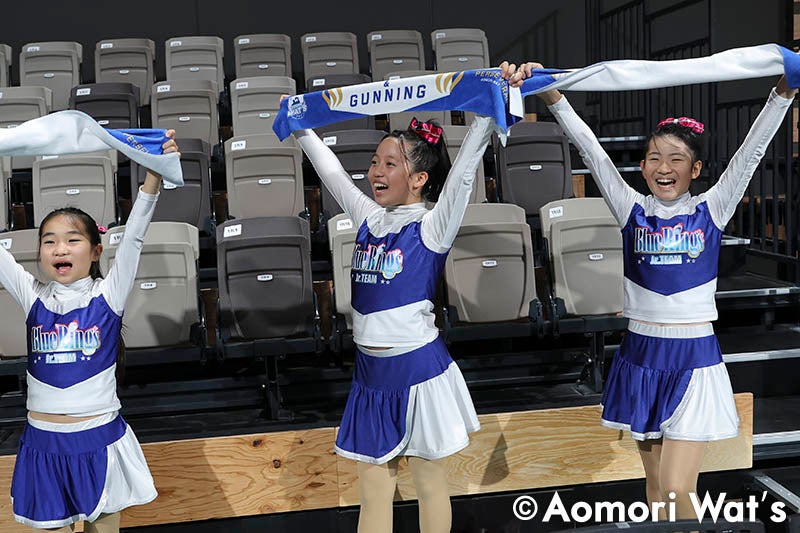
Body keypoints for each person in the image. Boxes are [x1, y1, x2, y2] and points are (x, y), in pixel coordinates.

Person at [505, 60, 797, 519]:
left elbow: (752, 151)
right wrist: (552, 96)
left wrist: (784, 91)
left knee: (681, 488)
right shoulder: (630, 208)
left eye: (677, 158)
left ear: (695, 169)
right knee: (657, 487)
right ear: (641, 166)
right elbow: (591, 152)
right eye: (655, 158)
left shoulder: (712, 208)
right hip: (640, 355)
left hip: (692, 357)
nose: (665, 167)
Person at [282, 76, 506, 530]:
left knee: (428, 484)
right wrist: (299, 124)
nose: (376, 172)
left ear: (419, 179)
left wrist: (487, 113)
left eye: (390, 164)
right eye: (374, 162)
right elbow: (331, 174)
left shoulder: (431, 226)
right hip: (370, 377)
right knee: (373, 493)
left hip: (418, 372)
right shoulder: (368, 217)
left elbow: (462, 174)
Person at [2, 132, 180, 531]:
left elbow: (133, 235)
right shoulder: (33, 297)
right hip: (42, 444)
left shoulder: (108, 297)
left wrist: (153, 178)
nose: (60, 249)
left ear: (96, 250)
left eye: (72, 240)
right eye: (49, 242)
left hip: (98, 440)